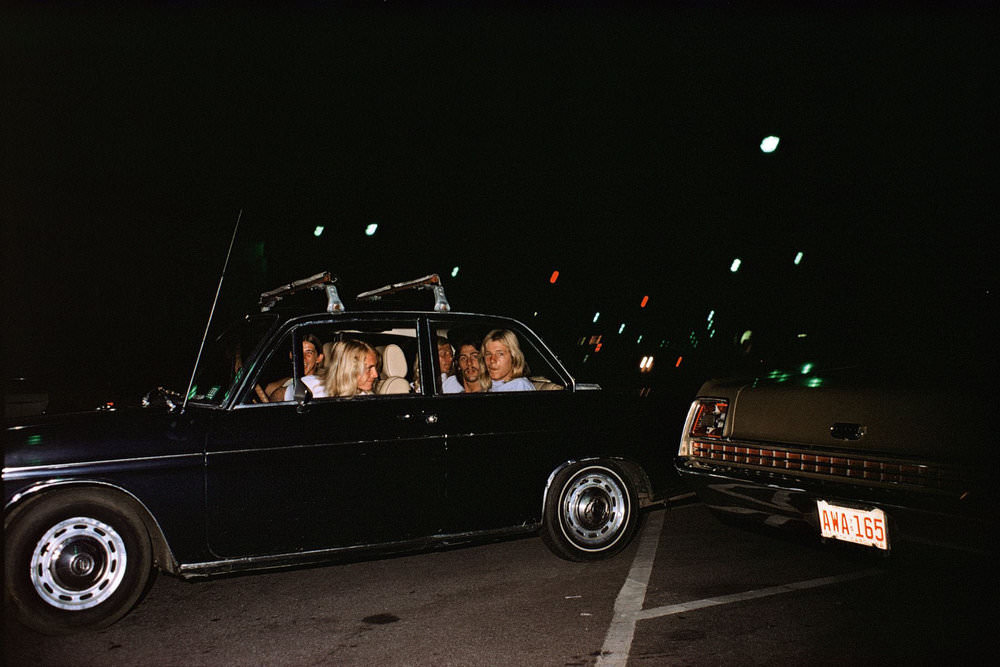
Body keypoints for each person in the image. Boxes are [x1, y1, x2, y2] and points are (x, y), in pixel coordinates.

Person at [281, 334, 327, 401]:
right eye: (298, 352)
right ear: (291, 355)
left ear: (319, 358)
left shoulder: (320, 385)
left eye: (309, 353)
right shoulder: (289, 382)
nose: (303, 358)